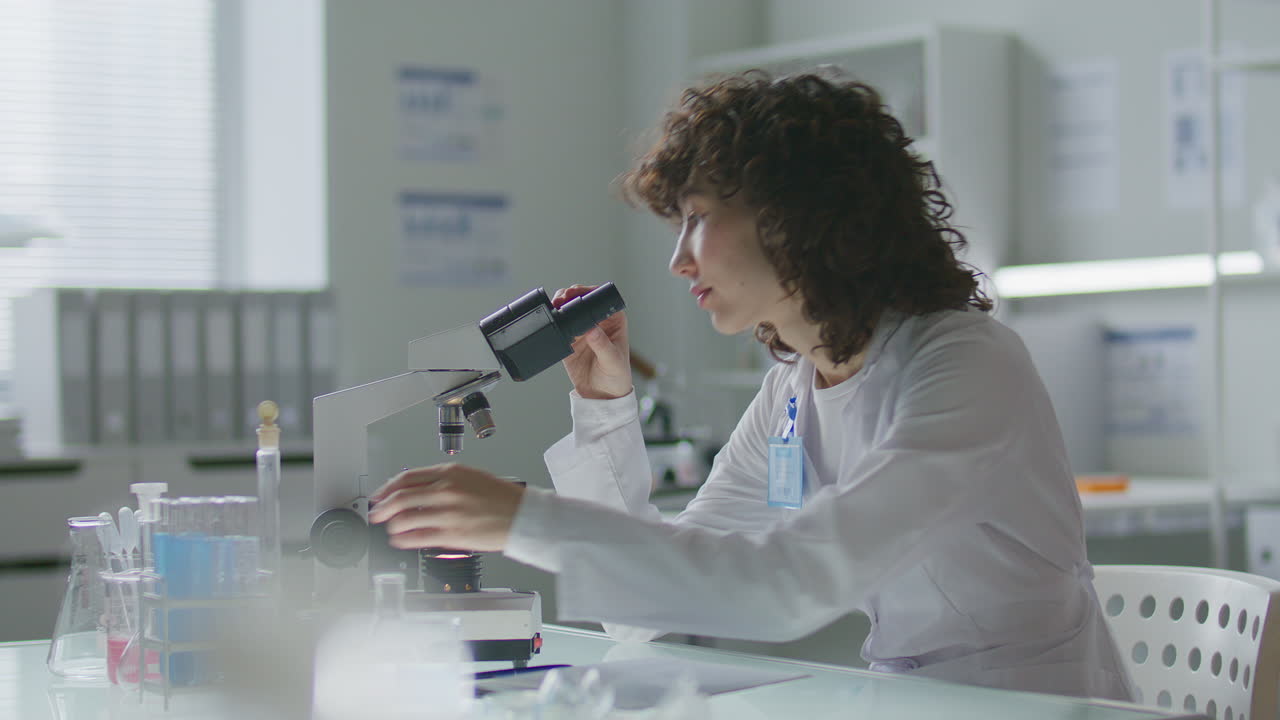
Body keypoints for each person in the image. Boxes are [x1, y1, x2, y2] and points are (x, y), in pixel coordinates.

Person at [368, 70, 1134, 700]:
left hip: (1036, 706)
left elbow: (790, 585)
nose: (679, 261)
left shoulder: (967, 364)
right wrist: (606, 411)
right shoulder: (796, 389)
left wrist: (520, 520)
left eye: (698, 218)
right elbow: (661, 598)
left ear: (799, 217)